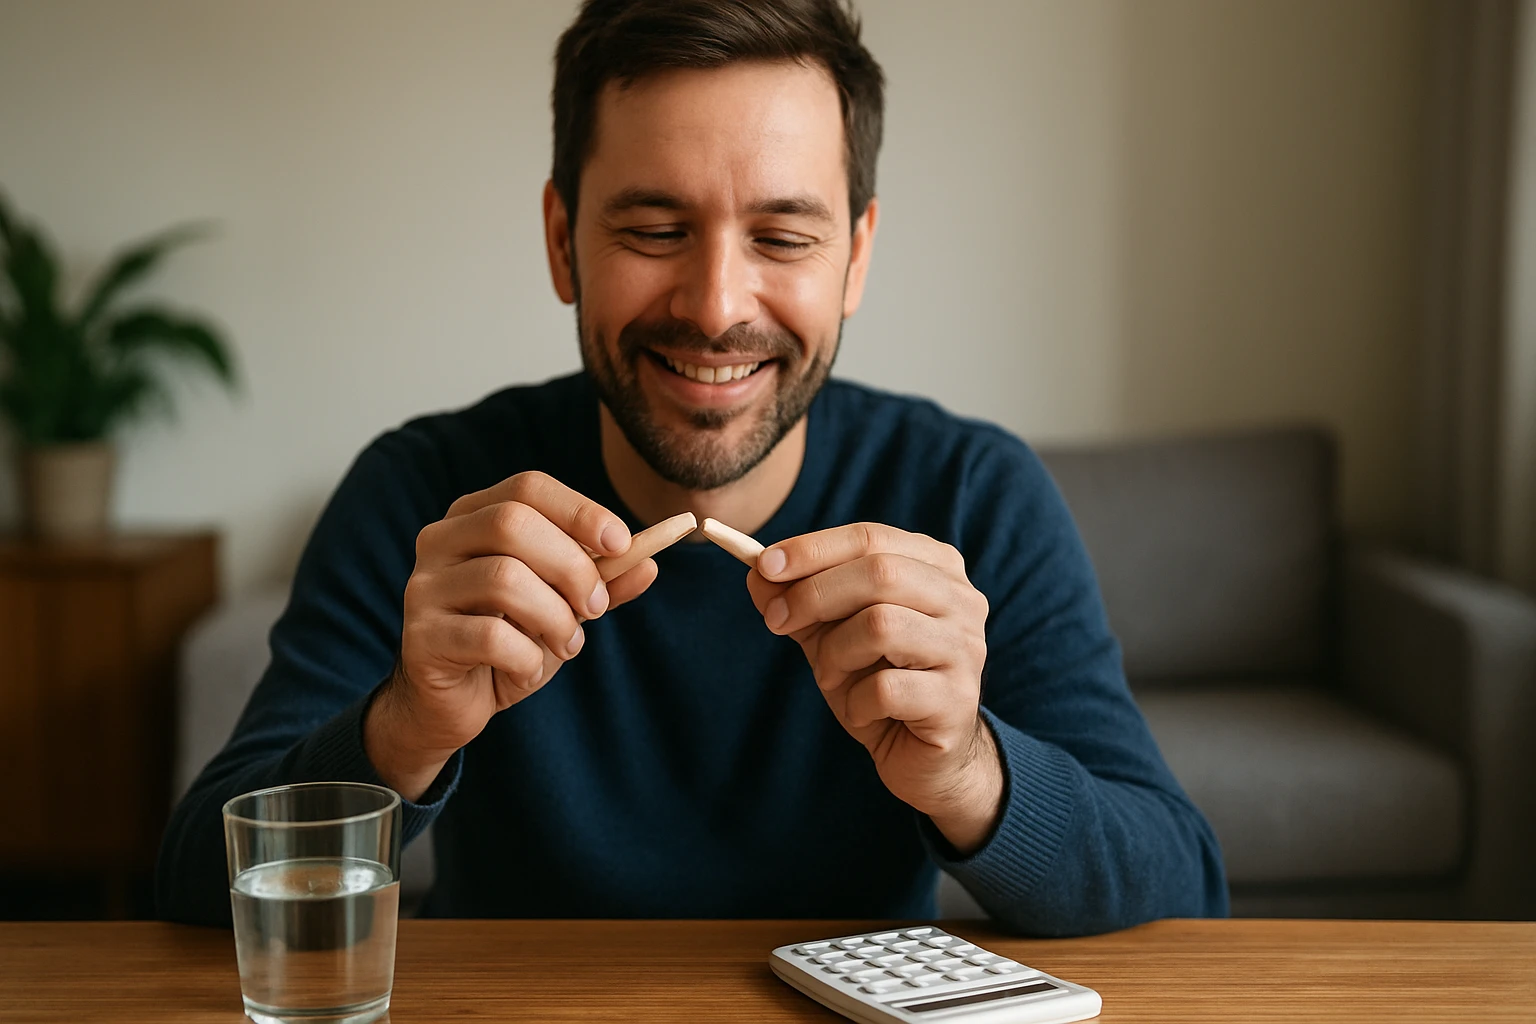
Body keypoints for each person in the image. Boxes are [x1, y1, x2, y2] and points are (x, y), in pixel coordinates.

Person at [158, 0, 1228, 933]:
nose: (717, 307)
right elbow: (192, 887)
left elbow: (1184, 890)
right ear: (562, 238)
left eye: (782, 236)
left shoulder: (971, 494)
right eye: (656, 227)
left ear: (855, 256)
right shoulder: (423, 494)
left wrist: (967, 774)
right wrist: (401, 730)